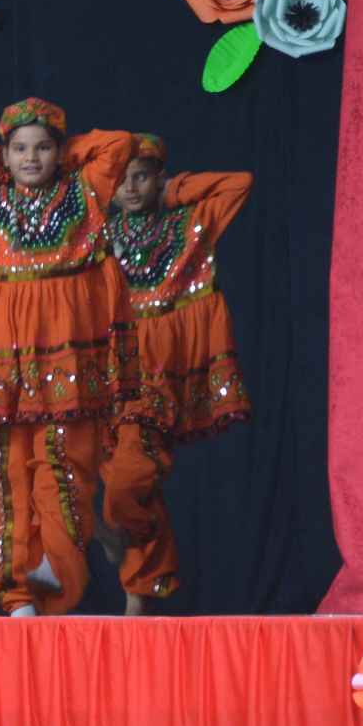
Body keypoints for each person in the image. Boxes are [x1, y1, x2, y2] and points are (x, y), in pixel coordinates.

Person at [0, 99, 139, 616]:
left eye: (42, 148)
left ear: (60, 152)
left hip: (63, 367)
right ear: (4, 154)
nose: (31, 158)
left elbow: (120, 144)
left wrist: (69, 155)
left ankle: (55, 568)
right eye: (19, 149)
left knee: (64, 467)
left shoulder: (84, 192)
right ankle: (14, 589)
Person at [102, 136, 252, 613]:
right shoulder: (95, 234)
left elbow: (239, 183)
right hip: (101, 374)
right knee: (118, 485)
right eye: (122, 179)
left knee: (129, 481)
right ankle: (138, 591)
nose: (131, 188)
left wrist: (174, 191)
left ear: (158, 178)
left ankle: (126, 550)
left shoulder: (188, 225)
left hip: (157, 377)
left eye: (142, 177)